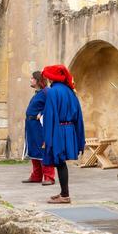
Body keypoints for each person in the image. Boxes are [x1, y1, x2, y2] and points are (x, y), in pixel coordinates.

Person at [41, 65, 85, 203]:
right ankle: (63, 192)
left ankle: (65, 195)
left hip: (58, 130)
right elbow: (79, 116)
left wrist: (47, 137)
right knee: (60, 162)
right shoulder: (70, 91)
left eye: (47, 76)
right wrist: (79, 137)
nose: (46, 78)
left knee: (60, 162)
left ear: (50, 77)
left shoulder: (53, 92)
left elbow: (49, 116)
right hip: (69, 129)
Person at [22, 71, 55, 185]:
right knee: (34, 149)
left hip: (39, 125)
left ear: (37, 80)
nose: (30, 80)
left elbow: (52, 105)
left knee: (43, 149)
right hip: (31, 125)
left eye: (32, 78)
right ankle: (37, 175)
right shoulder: (38, 93)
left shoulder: (47, 92)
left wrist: (42, 112)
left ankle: (49, 177)